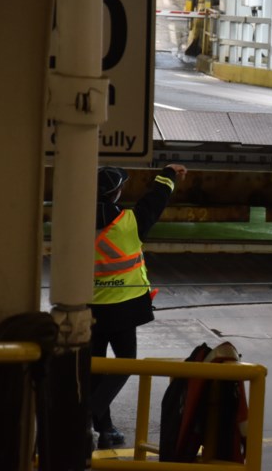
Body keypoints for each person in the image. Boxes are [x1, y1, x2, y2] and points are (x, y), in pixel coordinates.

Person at [89, 164, 187, 449]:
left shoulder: (76, 221)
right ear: (117, 193)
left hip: (89, 309)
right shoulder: (131, 222)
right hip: (123, 307)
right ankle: (90, 412)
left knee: (95, 370)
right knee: (125, 363)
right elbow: (156, 198)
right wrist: (168, 173)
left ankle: (105, 429)